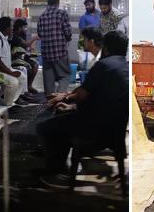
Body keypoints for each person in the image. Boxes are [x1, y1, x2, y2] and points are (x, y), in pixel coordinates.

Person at [37, 30, 129, 187]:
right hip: (115, 129)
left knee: (45, 127)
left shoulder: (103, 66)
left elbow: (82, 95)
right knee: (64, 119)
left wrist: (66, 98)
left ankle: (57, 173)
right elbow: (102, 98)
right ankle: (63, 166)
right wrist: (71, 105)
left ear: (105, 48)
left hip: (93, 129)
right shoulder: (125, 66)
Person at [38, 0, 72, 95]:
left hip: (46, 54)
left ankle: (49, 103)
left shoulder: (42, 16)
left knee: (48, 82)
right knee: (65, 76)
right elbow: (68, 32)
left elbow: (40, 34)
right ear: (58, 1)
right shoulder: (62, 14)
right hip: (60, 52)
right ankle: (59, 99)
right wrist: (66, 39)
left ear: (48, 2)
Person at [0, 16, 26, 105]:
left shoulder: (4, 38)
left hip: (4, 70)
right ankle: (6, 106)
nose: (13, 29)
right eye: (11, 27)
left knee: (22, 77)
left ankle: (11, 102)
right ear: (6, 28)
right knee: (13, 81)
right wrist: (10, 73)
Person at [11, 18, 39, 89]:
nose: (26, 29)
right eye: (24, 27)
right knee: (28, 67)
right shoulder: (14, 36)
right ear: (20, 27)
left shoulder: (22, 36)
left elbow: (25, 48)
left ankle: (29, 86)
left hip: (21, 57)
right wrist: (34, 38)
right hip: (14, 59)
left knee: (35, 64)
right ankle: (25, 88)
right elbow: (25, 44)